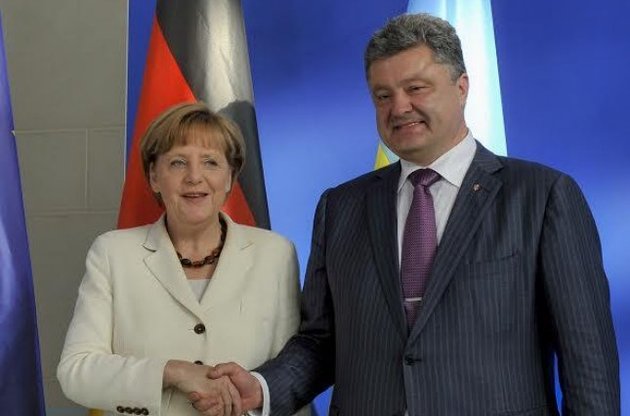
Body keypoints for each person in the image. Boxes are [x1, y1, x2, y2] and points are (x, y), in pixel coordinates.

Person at [191, 12, 620, 416]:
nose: (398, 108)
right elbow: (322, 342)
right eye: (383, 96)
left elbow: (588, 360)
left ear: (462, 87)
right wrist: (263, 387)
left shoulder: (542, 196)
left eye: (416, 88)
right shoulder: (341, 207)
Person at [57, 102, 310, 416]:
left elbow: (289, 379)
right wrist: (172, 371)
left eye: (210, 162)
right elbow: (76, 372)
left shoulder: (276, 255)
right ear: (154, 176)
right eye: (178, 163)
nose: (194, 177)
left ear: (230, 177)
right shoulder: (112, 253)